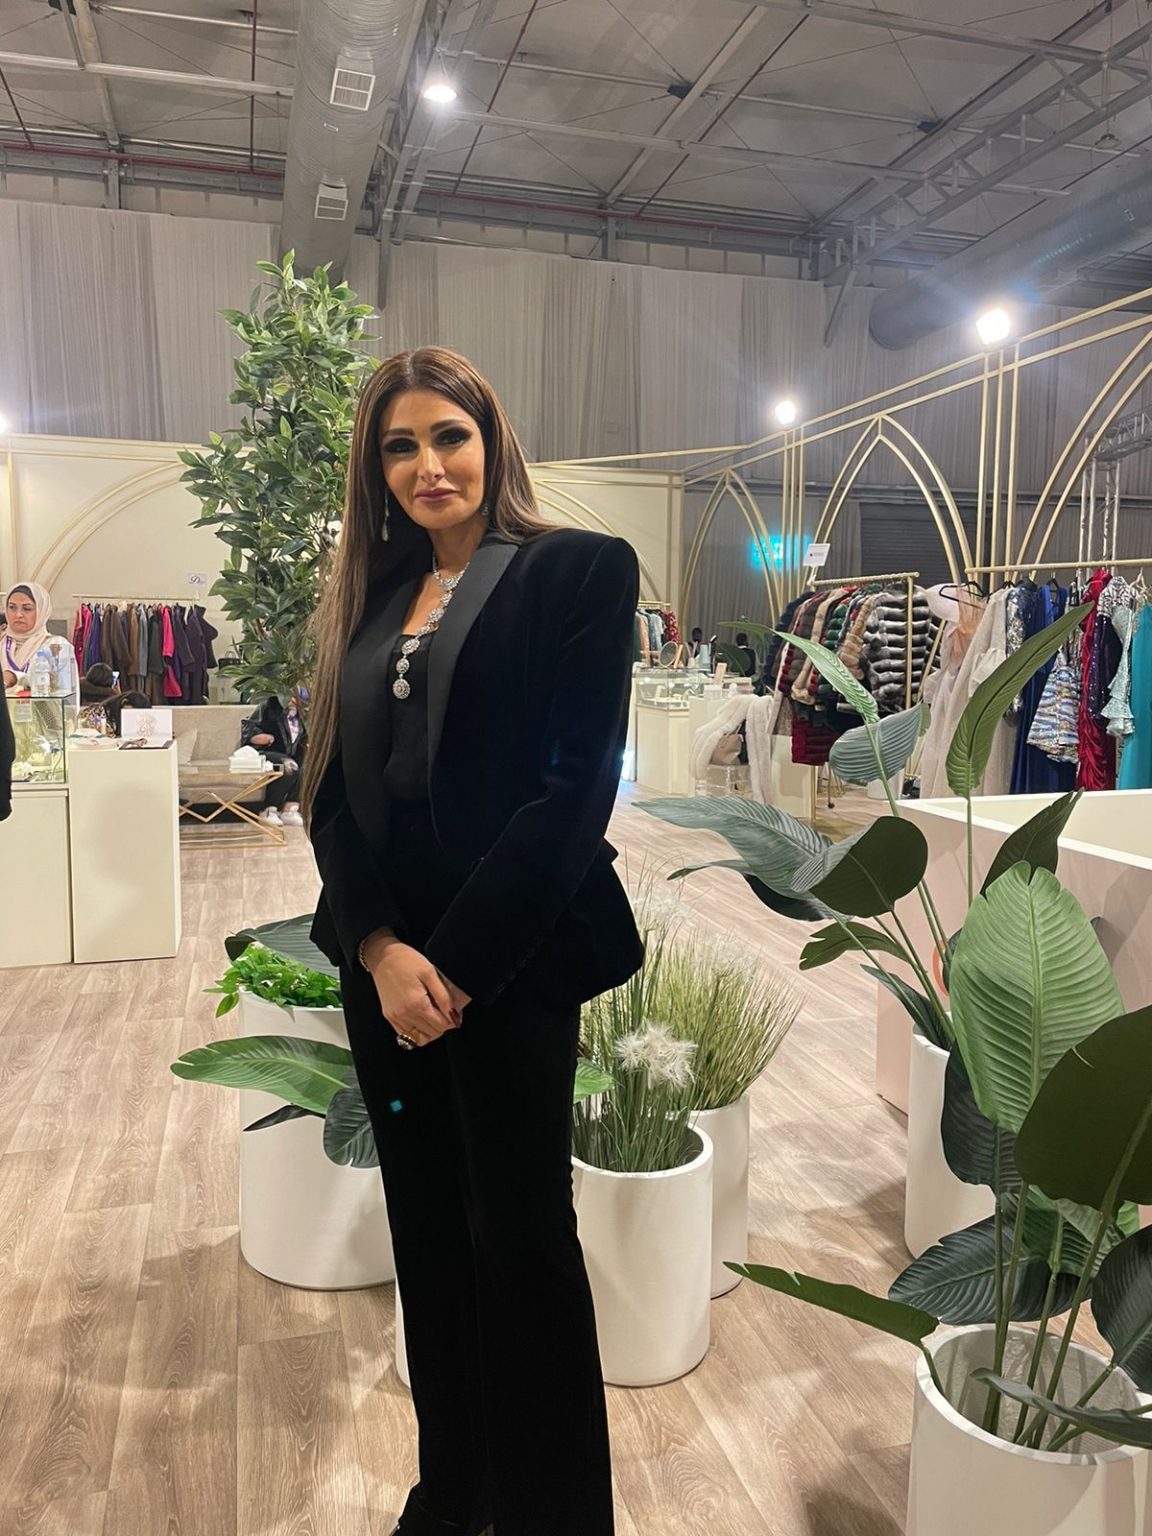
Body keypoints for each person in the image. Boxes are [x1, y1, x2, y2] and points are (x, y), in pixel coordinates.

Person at [303, 346, 643, 1536]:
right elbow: (330, 796)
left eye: (448, 435)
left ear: (491, 441)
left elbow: (572, 792)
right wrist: (380, 950)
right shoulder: (370, 598)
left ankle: (554, 1516)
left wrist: (450, 968)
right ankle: (453, 1495)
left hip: (508, 967)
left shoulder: (578, 570)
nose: (427, 465)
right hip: (386, 973)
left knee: (523, 1242)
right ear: (376, 470)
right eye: (399, 446)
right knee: (430, 1237)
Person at [242, 690, 308, 827]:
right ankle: (269, 809)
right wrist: (259, 737)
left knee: (307, 765)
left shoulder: (304, 715)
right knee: (289, 767)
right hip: (268, 751)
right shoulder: (270, 706)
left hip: (292, 753)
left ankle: (290, 809)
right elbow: (249, 727)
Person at [3, 582, 52, 690]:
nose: (18, 615)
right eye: (12, 607)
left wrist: (15, 677)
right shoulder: (1, 642)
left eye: (27, 609)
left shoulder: (56, 647)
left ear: (41, 611)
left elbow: (64, 687)